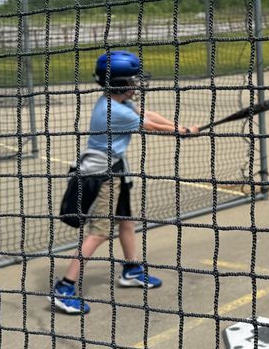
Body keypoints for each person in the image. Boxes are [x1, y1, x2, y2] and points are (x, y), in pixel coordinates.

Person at [51, 50, 198, 315]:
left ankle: (132, 270)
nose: (136, 84)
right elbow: (149, 126)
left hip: (116, 169)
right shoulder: (113, 111)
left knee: (126, 221)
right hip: (101, 175)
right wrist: (181, 132)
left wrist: (181, 127)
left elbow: (147, 113)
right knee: (99, 232)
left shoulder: (117, 102)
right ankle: (65, 288)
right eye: (132, 80)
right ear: (119, 84)